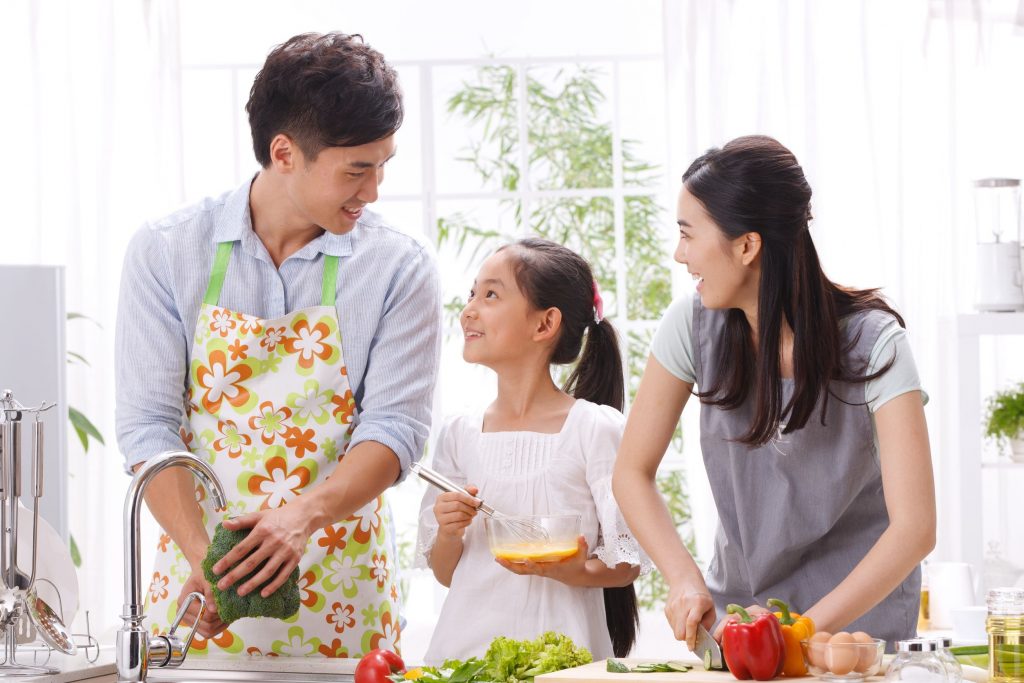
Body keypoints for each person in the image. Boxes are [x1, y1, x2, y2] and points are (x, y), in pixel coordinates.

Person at [114, 32, 441, 657]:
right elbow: (147, 426)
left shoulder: (400, 265)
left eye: (383, 165)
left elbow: (396, 428)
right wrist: (205, 560)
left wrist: (299, 518)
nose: (373, 191)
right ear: (284, 152)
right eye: (356, 169)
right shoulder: (165, 250)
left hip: (343, 591)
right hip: (196, 591)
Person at [612, 135, 936, 650]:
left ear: (746, 245)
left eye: (688, 235)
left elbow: (915, 528)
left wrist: (801, 632)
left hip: (854, 637)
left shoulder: (876, 346)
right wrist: (684, 577)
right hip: (741, 625)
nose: (680, 254)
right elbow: (631, 472)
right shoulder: (690, 327)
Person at [415, 238, 647, 663]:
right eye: (472, 294)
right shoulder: (459, 434)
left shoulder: (593, 429)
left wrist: (574, 571)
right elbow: (448, 573)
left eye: (491, 295)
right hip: (463, 659)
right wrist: (448, 530)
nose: (469, 309)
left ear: (544, 324)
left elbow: (627, 562)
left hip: (564, 663)